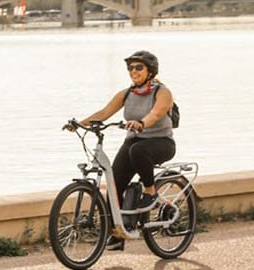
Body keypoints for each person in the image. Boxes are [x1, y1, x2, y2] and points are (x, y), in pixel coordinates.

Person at [67, 50, 176, 249]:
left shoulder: (162, 92)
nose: (133, 71)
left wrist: (142, 123)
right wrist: (79, 124)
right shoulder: (127, 93)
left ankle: (150, 192)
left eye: (138, 67)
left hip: (161, 143)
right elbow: (104, 112)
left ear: (150, 71)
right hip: (134, 142)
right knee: (114, 185)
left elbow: (156, 113)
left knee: (138, 150)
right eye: (130, 68)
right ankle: (117, 235)